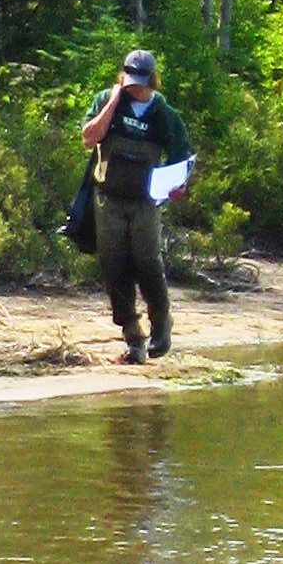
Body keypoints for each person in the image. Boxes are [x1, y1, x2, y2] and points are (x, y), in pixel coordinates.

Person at [80, 46, 191, 365]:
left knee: (147, 265)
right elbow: (89, 138)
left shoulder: (165, 116)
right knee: (114, 267)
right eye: (130, 80)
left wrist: (178, 185)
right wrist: (114, 101)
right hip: (108, 199)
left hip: (145, 202)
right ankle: (133, 336)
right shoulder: (107, 101)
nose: (135, 86)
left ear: (152, 80)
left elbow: (182, 158)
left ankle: (161, 324)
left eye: (141, 81)